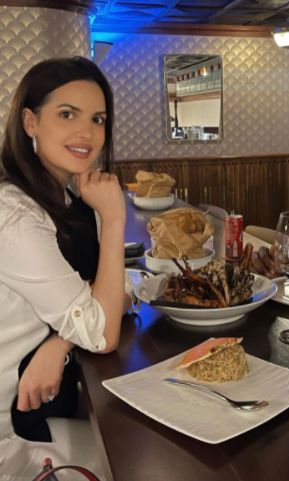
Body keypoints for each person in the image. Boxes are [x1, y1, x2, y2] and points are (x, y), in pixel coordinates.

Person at [0, 56, 130, 478]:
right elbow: (104, 331)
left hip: (52, 390)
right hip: (14, 423)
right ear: (30, 122)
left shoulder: (69, 196)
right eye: (66, 114)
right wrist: (114, 219)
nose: (87, 133)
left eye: (97, 118)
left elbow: (116, 293)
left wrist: (61, 342)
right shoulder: (14, 215)